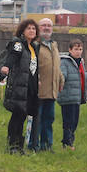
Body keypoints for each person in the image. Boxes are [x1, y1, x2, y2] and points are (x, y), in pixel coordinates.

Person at [0, 19, 39, 154]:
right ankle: (12, 145)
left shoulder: (33, 47)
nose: (32, 31)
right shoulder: (18, 44)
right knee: (17, 115)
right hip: (18, 86)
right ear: (22, 30)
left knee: (23, 116)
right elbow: (12, 57)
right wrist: (6, 67)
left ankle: (19, 146)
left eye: (33, 28)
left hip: (30, 87)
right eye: (29, 28)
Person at [27, 18, 63, 151]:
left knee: (49, 120)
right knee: (37, 120)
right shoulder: (34, 45)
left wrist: (61, 80)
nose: (47, 28)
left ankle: (47, 145)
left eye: (49, 26)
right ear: (38, 28)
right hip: (38, 90)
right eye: (43, 25)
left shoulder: (54, 45)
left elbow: (56, 66)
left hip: (52, 91)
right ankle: (33, 145)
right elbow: (30, 66)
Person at [57, 39, 87, 149]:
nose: (78, 52)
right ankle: (67, 143)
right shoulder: (65, 62)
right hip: (67, 96)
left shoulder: (80, 62)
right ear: (70, 50)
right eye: (76, 49)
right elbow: (62, 75)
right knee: (68, 122)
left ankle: (70, 141)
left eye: (80, 49)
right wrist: (62, 81)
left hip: (76, 97)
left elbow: (82, 77)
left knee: (75, 122)